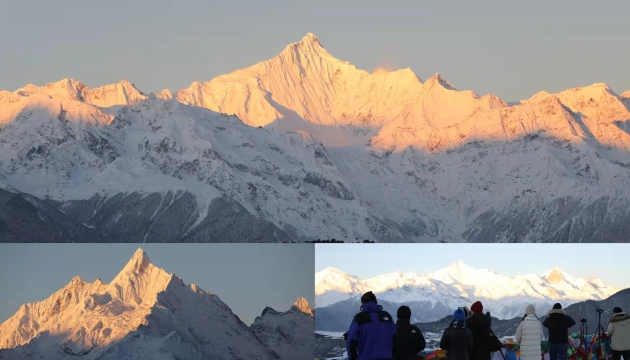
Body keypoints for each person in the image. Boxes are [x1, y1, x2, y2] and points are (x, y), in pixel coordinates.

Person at [346, 291, 397, 360]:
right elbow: (395, 338)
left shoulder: (359, 318)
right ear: (376, 302)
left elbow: (351, 342)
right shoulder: (387, 316)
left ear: (363, 304)